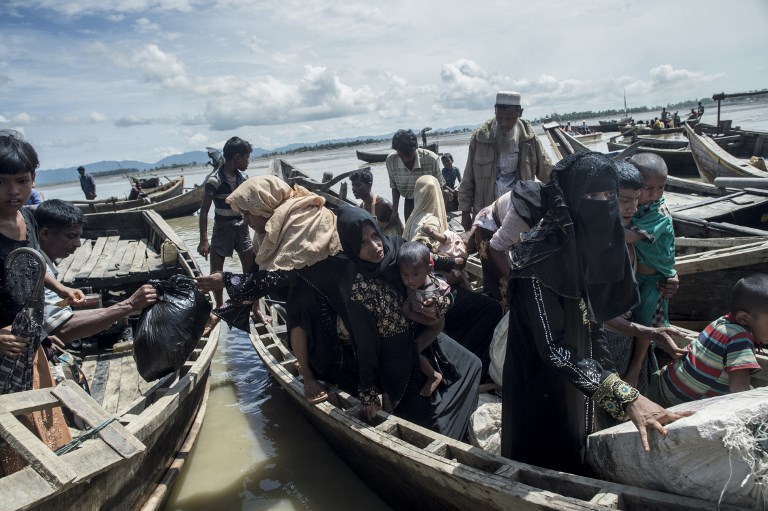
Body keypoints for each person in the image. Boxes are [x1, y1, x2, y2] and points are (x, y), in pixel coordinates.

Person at [501, 152, 691, 474]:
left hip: (580, 373)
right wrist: (625, 397)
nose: (605, 204)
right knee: (546, 449)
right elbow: (553, 349)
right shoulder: (536, 261)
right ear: (571, 198)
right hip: (541, 378)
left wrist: (614, 380)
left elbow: (593, 319)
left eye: (610, 196)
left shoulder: (583, 243)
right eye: (594, 196)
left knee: (579, 438)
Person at [336, 205, 481, 440]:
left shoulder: (396, 248)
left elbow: (428, 265)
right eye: (363, 243)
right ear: (352, 247)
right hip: (396, 359)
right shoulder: (358, 288)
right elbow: (366, 344)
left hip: (422, 334)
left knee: (472, 365)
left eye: (374, 235)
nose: (375, 246)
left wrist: (440, 302)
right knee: (430, 426)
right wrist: (370, 391)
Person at [0, 132, 82, 474]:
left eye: (21, 181)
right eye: (1, 182)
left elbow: (29, 266)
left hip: (27, 341)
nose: (13, 191)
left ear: (33, 178)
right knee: (10, 436)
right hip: (4, 346)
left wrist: (57, 285)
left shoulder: (28, 219)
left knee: (41, 418)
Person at [34, 199, 158, 346]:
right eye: (71, 236)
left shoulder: (43, 263)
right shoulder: (39, 268)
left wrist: (113, 311)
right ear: (45, 234)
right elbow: (61, 330)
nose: (78, 244)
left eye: (79, 236)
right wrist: (129, 305)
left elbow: (54, 313)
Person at [648, 274, 768, 407]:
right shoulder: (741, 339)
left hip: (660, 385)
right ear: (744, 318)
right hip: (675, 404)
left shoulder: (722, 323)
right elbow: (738, 393)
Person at [458, 91, 552, 231]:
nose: (504, 123)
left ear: (520, 114)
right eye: (499, 117)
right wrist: (465, 212)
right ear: (495, 111)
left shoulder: (529, 139)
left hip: (518, 212)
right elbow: (468, 179)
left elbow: (547, 172)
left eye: (509, 119)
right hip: (486, 213)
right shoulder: (480, 139)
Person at [624, 153, 678, 368]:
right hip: (637, 276)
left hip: (655, 279)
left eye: (661, 188)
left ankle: (636, 368)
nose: (655, 194)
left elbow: (627, 236)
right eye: (648, 188)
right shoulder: (636, 205)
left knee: (646, 322)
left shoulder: (659, 212)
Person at [197, 136, 255, 307]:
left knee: (251, 268)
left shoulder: (243, 178)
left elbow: (250, 206)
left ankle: (254, 306)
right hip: (222, 228)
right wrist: (204, 240)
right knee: (216, 269)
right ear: (237, 158)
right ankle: (220, 305)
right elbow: (204, 210)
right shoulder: (214, 180)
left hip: (241, 226)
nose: (248, 162)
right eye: (247, 158)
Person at [469, 180, 544, 304]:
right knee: (503, 288)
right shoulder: (521, 217)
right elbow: (495, 247)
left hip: (506, 228)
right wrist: (512, 279)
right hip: (488, 230)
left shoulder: (551, 202)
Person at [398, 241, 452, 397]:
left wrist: (408, 314)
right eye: (405, 275)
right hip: (422, 319)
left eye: (415, 274)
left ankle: (433, 375)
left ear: (429, 270)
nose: (409, 280)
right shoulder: (419, 282)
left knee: (415, 349)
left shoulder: (428, 296)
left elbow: (432, 320)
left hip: (433, 325)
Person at [386, 129, 443, 222]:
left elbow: (440, 188)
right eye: (401, 156)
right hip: (409, 201)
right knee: (410, 233)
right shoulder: (391, 161)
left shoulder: (431, 159)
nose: (406, 160)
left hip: (430, 202)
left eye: (408, 155)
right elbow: (394, 188)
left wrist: (441, 216)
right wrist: (395, 211)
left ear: (416, 147)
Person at [349, 168, 403, 237]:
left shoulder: (383, 205)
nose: (353, 189)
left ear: (369, 185)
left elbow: (400, 228)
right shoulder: (362, 207)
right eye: (353, 185)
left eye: (358, 185)